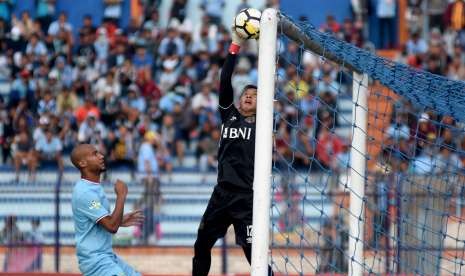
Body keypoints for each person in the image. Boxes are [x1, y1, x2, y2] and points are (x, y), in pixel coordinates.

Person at [192, 30, 273, 276]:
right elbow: (225, 79)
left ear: (264, 103)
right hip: (221, 193)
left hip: (247, 198)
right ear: (239, 101)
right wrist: (236, 44)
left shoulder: (264, 123)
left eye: (255, 95)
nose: (249, 96)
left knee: (253, 253)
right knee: (201, 243)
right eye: (246, 94)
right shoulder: (229, 114)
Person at [70, 143, 144, 276]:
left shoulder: (92, 188)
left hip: (106, 256)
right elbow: (111, 226)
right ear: (82, 163)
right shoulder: (85, 192)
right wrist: (121, 196)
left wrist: (119, 220)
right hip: (95, 261)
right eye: (95, 154)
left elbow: (104, 222)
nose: (101, 156)